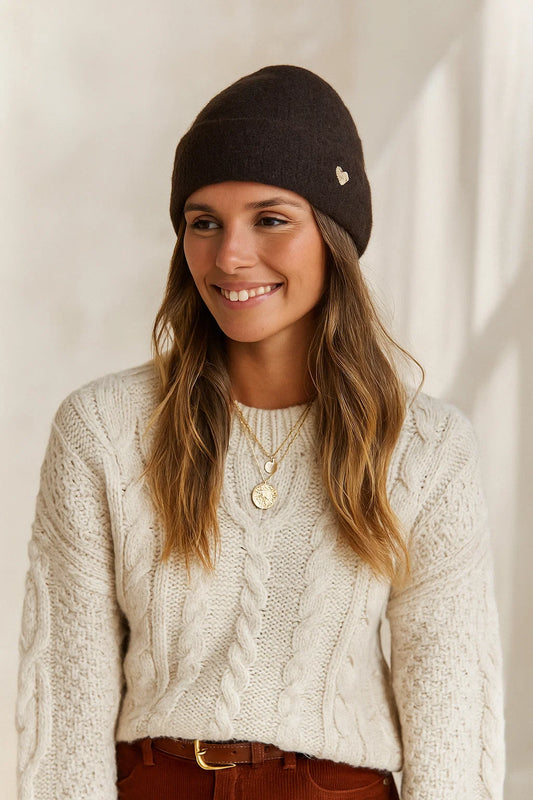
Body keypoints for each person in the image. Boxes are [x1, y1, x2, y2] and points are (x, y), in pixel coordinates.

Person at [16, 65, 505, 800]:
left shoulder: (425, 448)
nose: (230, 256)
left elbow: (451, 708)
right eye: (203, 222)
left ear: (333, 236)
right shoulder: (103, 430)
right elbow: (66, 702)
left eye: (270, 219)